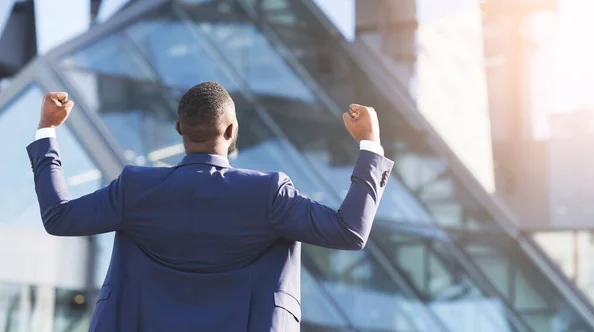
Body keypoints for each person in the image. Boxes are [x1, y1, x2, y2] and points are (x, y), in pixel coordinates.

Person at [27, 82, 394, 332]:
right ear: (231, 131)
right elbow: (349, 231)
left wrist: (47, 130)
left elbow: (59, 216)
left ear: (179, 128)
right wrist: (370, 144)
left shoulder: (136, 189)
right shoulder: (268, 194)